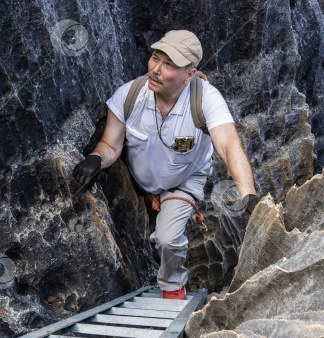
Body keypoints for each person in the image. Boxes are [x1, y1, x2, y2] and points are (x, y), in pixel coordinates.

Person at [72, 30, 259, 300]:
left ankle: (172, 289)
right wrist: (95, 159)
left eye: (169, 65)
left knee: (168, 239)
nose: (156, 70)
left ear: (190, 74)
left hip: (183, 179)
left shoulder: (205, 99)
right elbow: (111, 145)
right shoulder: (131, 94)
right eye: (154, 58)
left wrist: (247, 192)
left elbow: (229, 144)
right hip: (141, 179)